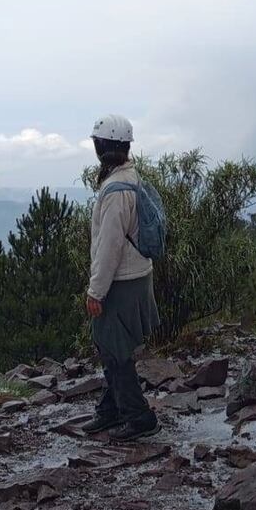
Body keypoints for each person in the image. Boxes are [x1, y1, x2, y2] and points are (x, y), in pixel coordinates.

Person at [82, 114, 161, 441]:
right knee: (112, 347)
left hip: (121, 281)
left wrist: (95, 292)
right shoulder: (130, 177)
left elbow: (109, 246)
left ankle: (139, 417)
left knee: (115, 351)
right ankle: (112, 409)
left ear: (100, 147)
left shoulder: (115, 189)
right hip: (136, 275)